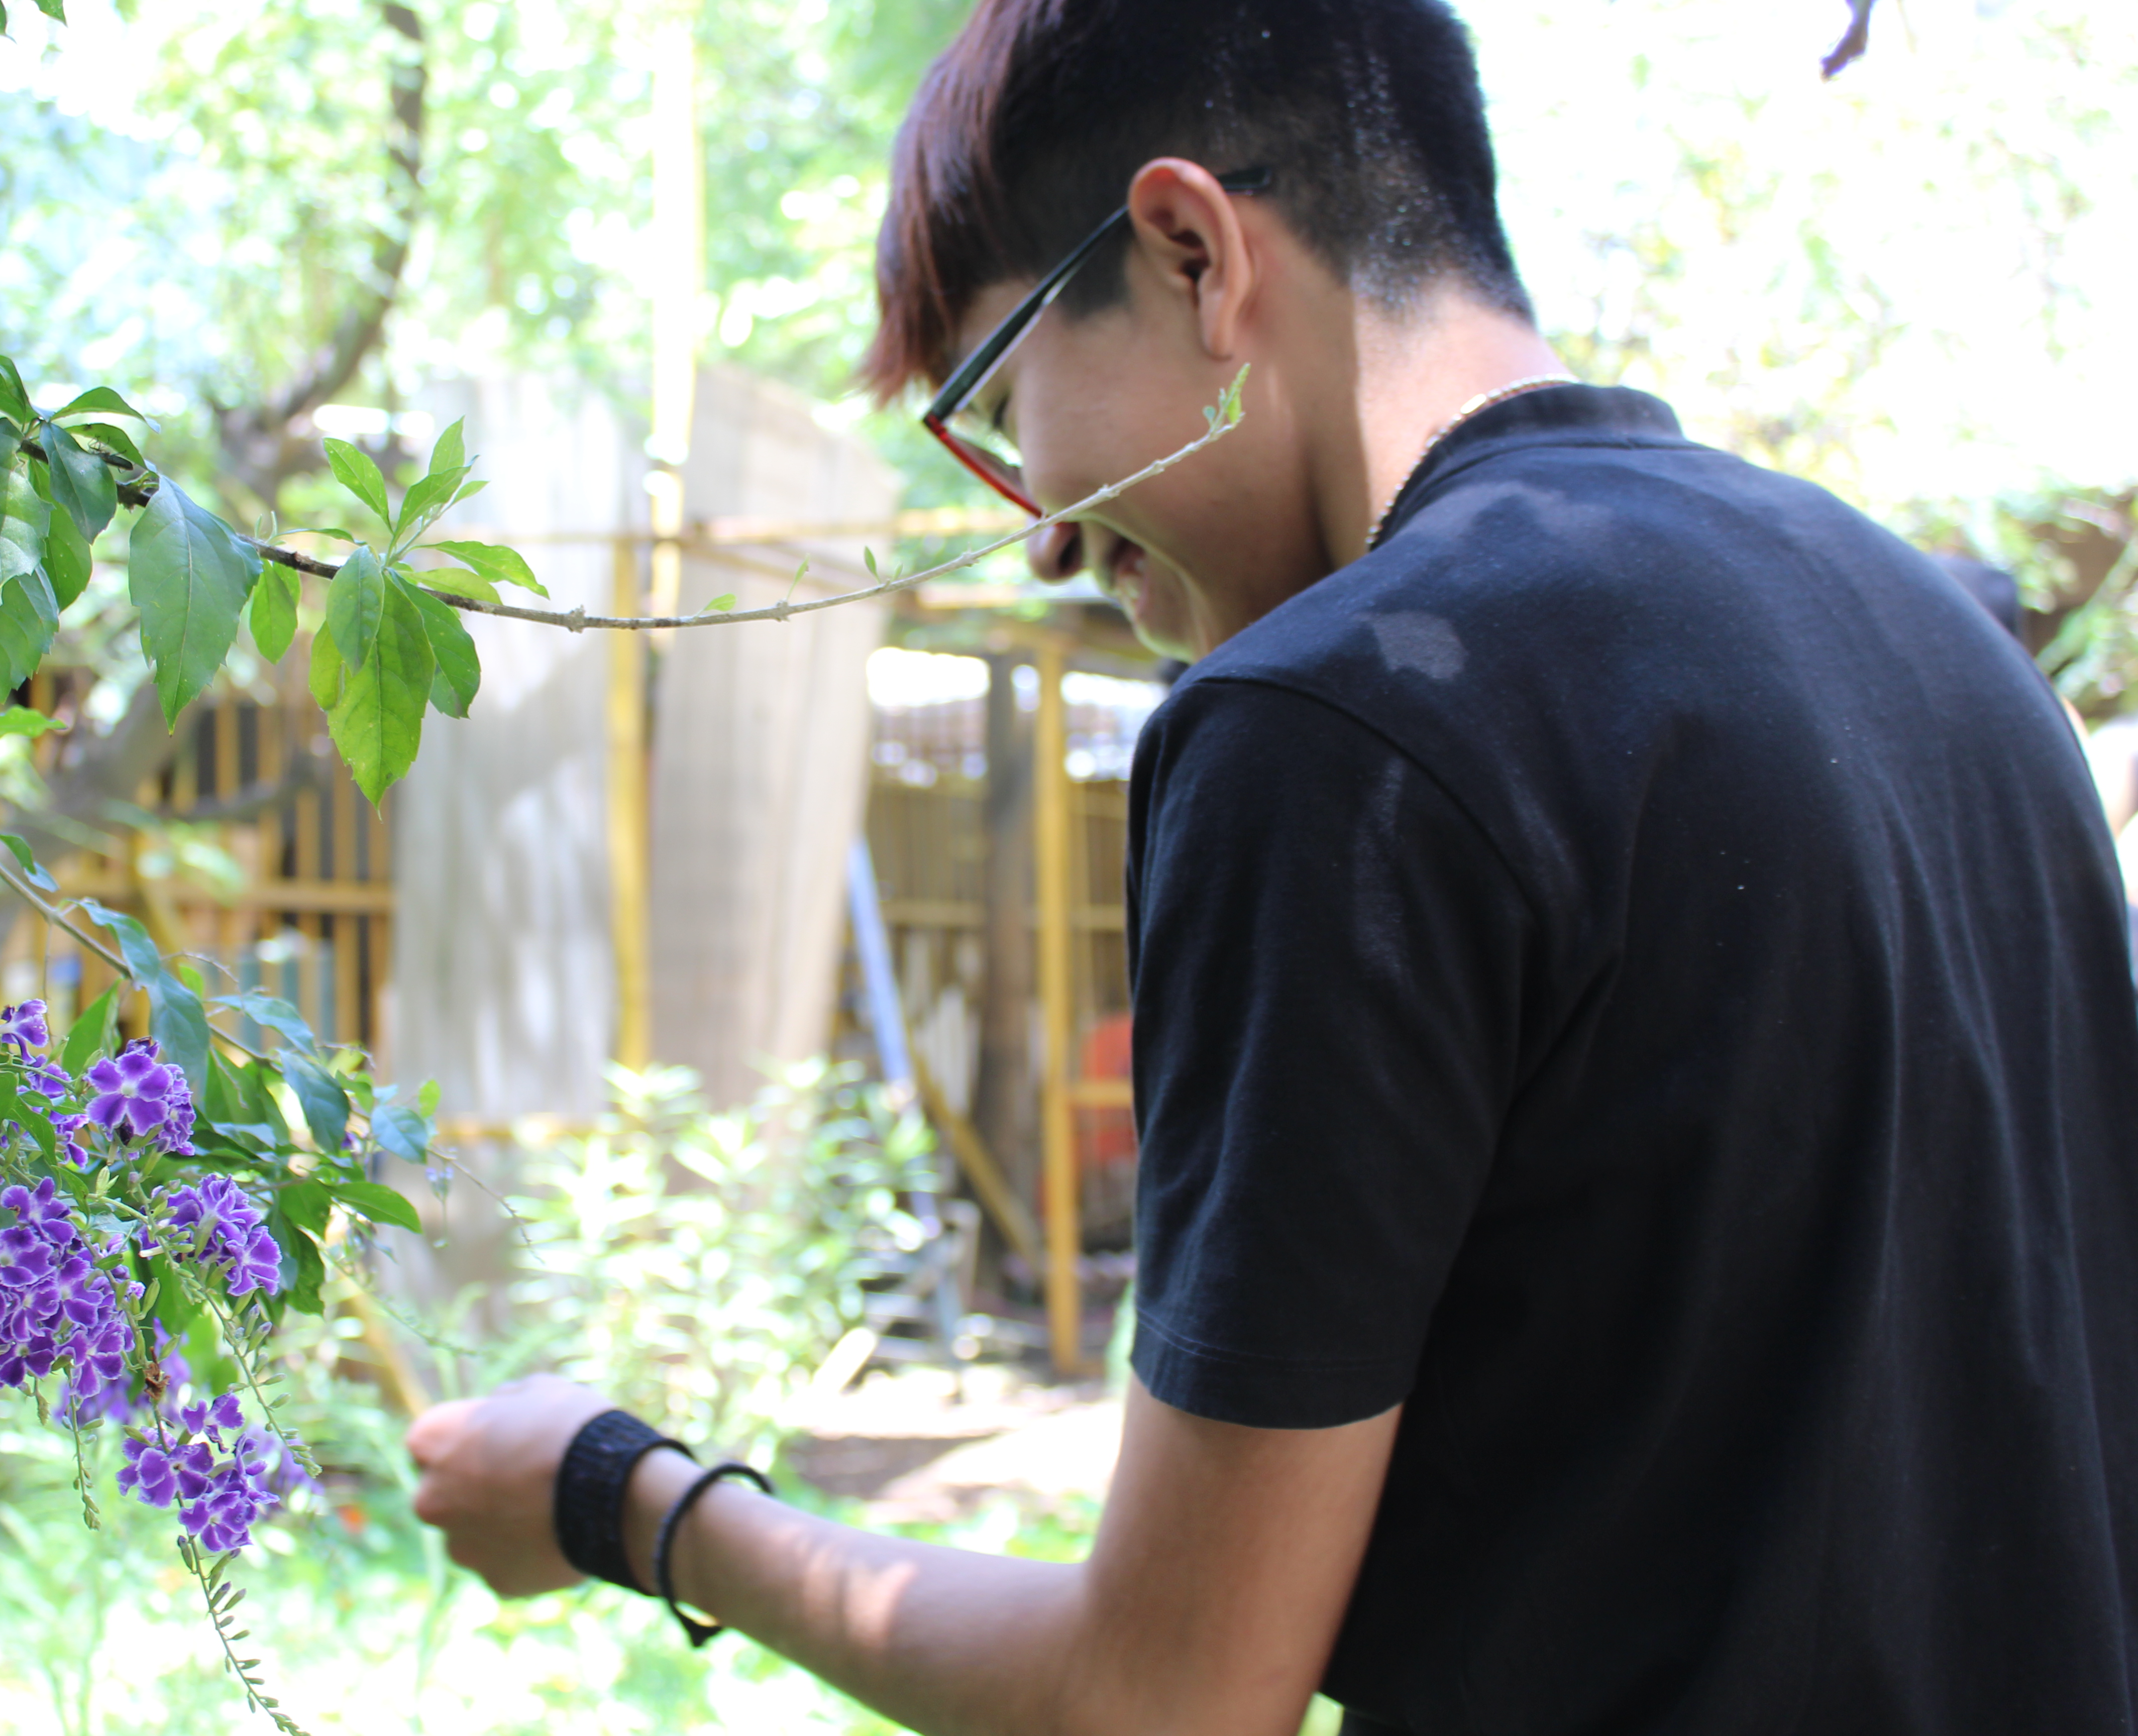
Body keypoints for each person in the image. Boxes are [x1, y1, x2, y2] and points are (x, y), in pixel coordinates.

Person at [406, 3, 2138, 1731]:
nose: (1046, 538)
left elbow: (1160, 1701)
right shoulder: (1954, 650)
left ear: (1188, 249)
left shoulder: (1337, 724)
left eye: (1009, 406)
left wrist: (629, 1503)